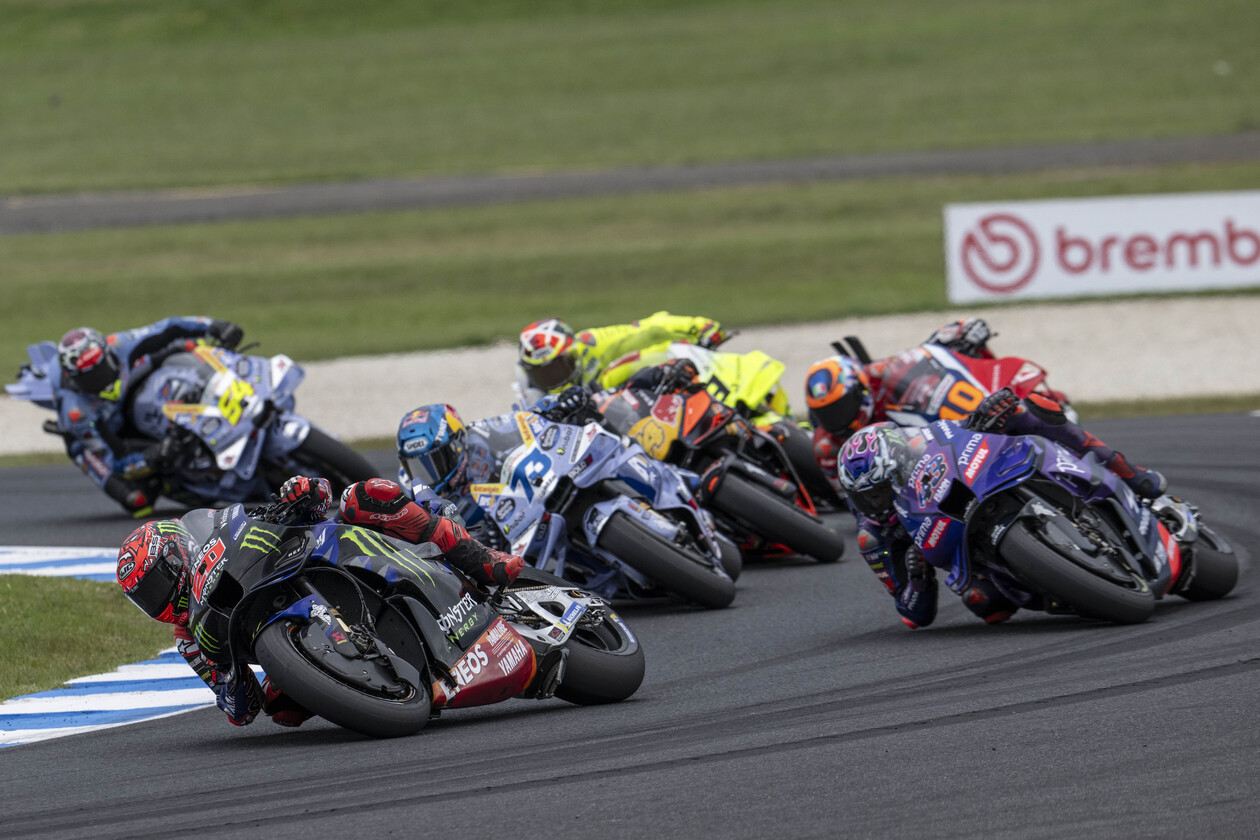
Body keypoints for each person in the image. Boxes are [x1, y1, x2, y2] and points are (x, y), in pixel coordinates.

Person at [115, 475, 525, 728]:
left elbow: (312, 497)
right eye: (147, 598)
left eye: (158, 582)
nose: (159, 598)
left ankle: (480, 558)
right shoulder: (190, 639)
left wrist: (301, 492)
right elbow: (241, 710)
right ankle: (376, 682)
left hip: (325, 552)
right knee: (283, 710)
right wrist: (232, 684)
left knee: (363, 495)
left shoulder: (224, 530)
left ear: (178, 553)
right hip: (293, 631)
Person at [836, 387, 1170, 630]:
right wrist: (918, 581)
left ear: (900, 461)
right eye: (868, 496)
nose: (877, 501)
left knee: (1032, 408)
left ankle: (1129, 472)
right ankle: (1075, 589)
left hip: (975, 486)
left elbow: (957, 430)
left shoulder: (921, 443)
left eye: (882, 488)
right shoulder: (873, 534)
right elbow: (912, 613)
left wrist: (986, 414)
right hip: (969, 560)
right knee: (984, 603)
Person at [803, 317, 1164, 500]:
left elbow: (931, 349)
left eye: (842, 405)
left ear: (860, 387)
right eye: (829, 412)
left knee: (1033, 412)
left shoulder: (885, 372)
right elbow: (857, 499)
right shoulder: (830, 446)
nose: (838, 419)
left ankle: (1127, 471)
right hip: (933, 477)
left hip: (971, 425)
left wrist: (959, 330)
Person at [53, 317, 245, 516]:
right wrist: (152, 456)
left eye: (100, 370)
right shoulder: (77, 413)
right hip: (94, 435)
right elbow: (116, 460)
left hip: (125, 393)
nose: (98, 381)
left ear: (107, 354)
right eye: (88, 379)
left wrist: (214, 326)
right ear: (73, 378)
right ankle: (170, 485)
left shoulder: (119, 345)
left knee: (185, 346)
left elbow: (169, 328)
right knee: (137, 501)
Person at [515, 312, 726, 404]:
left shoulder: (590, 344)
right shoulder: (532, 396)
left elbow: (647, 329)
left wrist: (698, 327)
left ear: (574, 353)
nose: (555, 379)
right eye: (544, 374)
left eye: (558, 367)